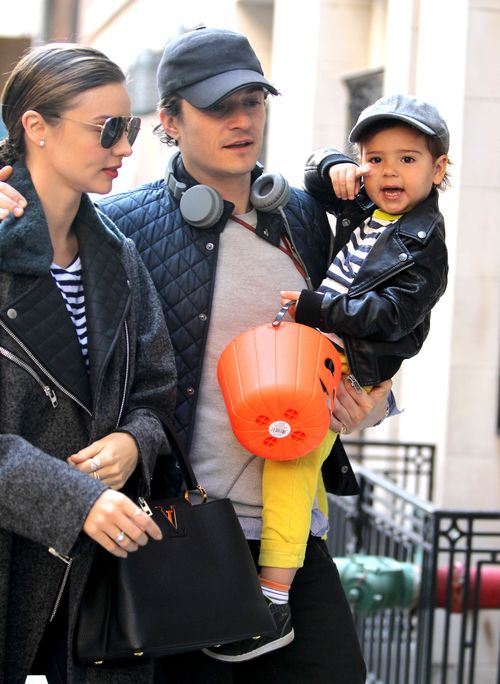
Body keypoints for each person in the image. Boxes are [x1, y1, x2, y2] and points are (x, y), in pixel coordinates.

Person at [0, 28, 393, 684]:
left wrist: (372, 398)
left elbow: (359, 340)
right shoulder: (119, 229)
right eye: (218, 107)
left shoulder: (301, 219)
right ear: (170, 121)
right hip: (178, 537)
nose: (242, 121)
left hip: (294, 538)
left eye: (253, 102)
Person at [235, 93, 449, 665]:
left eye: (407, 159)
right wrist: (335, 166)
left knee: (289, 453)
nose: (389, 172)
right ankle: (278, 586)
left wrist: (316, 309)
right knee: (292, 458)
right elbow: (316, 174)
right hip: (325, 347)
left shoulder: (425, 244)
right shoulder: (365, 209)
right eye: (375, 159)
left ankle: (274, 594)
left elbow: (391, 316)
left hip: (351, 357)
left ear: (439, 168)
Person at [0, 43, 177, 683]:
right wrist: (73, 499)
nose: (125, 147)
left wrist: (136, 439)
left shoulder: (119, 259)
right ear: (36, 127)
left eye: (127, 129)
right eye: (108, 129)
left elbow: (156, 386)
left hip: (99, 580)